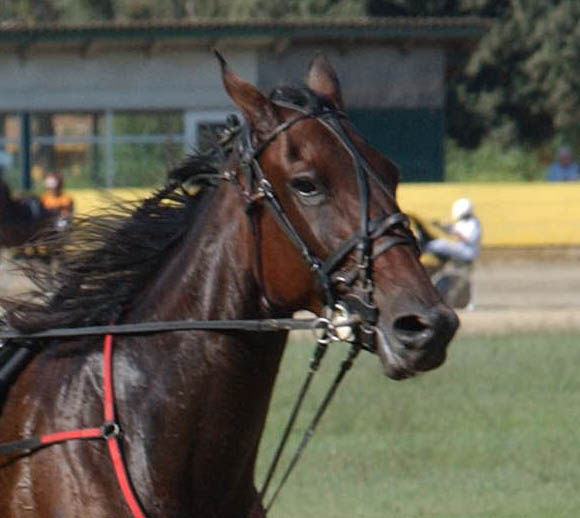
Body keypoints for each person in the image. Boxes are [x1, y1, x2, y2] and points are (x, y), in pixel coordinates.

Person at [422, 197, 482, 263]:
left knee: (442, 244)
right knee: (441, 242)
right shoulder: (463, 221)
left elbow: (470, 239)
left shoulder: (474, 223)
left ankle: (424, 248)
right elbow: (452, 229)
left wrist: (456, 233)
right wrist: (440, 226)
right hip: (462, 248)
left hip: (468, 252)